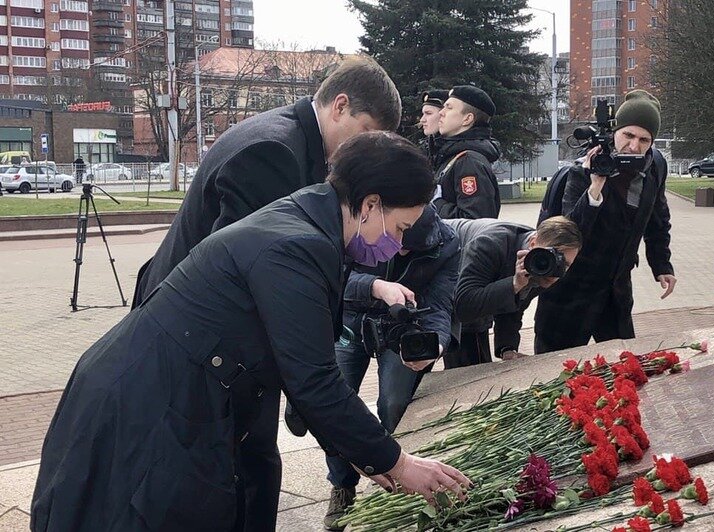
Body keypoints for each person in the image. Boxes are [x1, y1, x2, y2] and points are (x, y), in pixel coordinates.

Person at [31, 132, 471, 532]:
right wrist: (398, 462)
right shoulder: (297, 246)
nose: (397, 243)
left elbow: (298, 364)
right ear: (371, 204)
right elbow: (313, 379)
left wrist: (363, 452)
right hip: (148, 399)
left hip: (173, 384)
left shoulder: (308, 219)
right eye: (400, 229)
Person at [131, 55, 401, 308]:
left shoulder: (291, 139)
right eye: (366, 132)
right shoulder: (275, 153)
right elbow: (245, 269)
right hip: (185, 323)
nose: (365, 149)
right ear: (340, 106)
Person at [322, 204, 460, 529]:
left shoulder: (447, 244)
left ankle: (396, 477)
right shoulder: (363, 219)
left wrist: (436, 345)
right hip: (351, 317)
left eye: (410, 246)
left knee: (394, 403)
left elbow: (441, 305)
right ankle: (342, 485)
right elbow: (332, 275)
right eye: (398, 237)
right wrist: (375, 287)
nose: (399, 249)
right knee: (334, 403)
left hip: (400, 328)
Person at [534, 90, 675, 354]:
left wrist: (662, 264)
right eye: (628, 135)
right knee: (556, 374)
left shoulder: (655, 166)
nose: (634, 146)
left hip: (616, 292)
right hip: (570, 294)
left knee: (626, 370)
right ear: (615, 132)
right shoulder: (582, 169)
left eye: (645, 139)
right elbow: (566, 233)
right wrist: (594, 188)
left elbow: (658, 217)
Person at [443, 216, 582, 368]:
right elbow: (463, 306)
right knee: (464, 342)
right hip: (430, 255)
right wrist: (514, 284)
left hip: (460, 275)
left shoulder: (542, 262)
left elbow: (514, 305)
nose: (555, 273)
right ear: (532, 243)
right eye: (553, 259)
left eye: (565, 265)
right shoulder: (489, 244)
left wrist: (507, 348)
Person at [433, 85, 501, 219]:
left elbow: (474, 220)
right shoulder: (453, 155)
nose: (441, 112)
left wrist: (435, 203)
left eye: (449, 107)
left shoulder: (469, 161)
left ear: (467, 119)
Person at [419, 89, 448, 164]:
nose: (422, 120)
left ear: (444, 114)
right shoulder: (427, 150)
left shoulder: (464, 154)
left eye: (428, 113)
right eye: (423, 114)